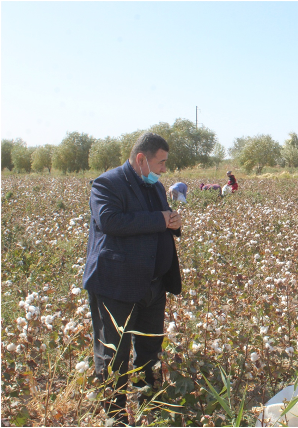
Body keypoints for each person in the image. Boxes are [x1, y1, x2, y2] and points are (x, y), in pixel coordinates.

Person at [82, 132, 183, 424]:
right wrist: (160, 219)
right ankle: (114, 415)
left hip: (152, 285)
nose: (164, 169)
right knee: (113, 352)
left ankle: (148, 402)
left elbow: (158, 221)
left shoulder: (155, 187)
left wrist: (172, 222)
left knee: (150, 347)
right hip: (116, 284)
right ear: (141, 159)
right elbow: (110, 221)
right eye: (161, 162)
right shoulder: (106, 184)